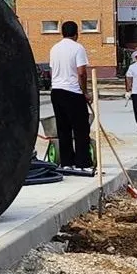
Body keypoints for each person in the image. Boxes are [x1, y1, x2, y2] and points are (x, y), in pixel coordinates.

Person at [49, 21, 94, 173]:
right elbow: (81, 72)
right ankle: (83, 163)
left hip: (56, 91)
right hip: (73, 92)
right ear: (76, 34)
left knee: (63, 129)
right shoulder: (78, 48)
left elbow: (52, 70)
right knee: (81, 129)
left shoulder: (54, 48)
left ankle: (67, 162)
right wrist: (85, 92)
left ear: (62, 33)